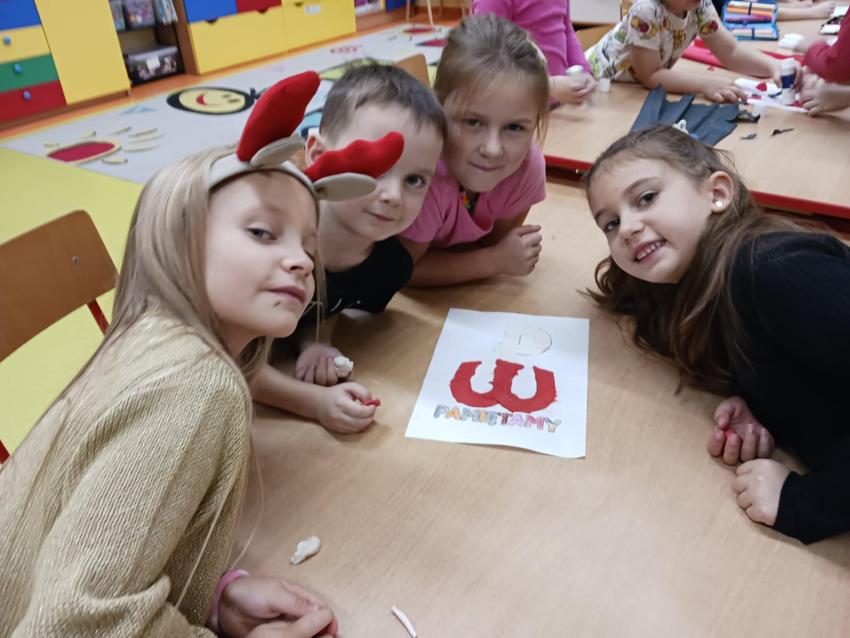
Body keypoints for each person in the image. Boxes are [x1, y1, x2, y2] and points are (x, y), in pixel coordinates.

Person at [0, 72, 403, 636]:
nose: (301, 261)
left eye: (308, 246)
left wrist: (211, 596)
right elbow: (72, 626)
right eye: (263, 233)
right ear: (181, 239)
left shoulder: (151, 338)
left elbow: (93, 533)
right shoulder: (196, 389)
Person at [585, 124, 850, 544]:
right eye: (611, 223)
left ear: (717, 193)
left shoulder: (771, 271)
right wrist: (761, 401)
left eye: (646, 198)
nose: (627, 228)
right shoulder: (699, 287)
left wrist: (806, 504)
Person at [253, 64, 445, 433]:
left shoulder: (387, 265)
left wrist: (315, 342)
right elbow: (229, 359)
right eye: (375, 167)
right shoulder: (269, 247)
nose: (393, 195)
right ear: (316, 153)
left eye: (414, 180)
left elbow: (331, 298)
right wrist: (314, 403)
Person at [401, 14, 549, 287]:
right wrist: (494, 261)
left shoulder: (526, 169)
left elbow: (487, 245)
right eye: (473, 122)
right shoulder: (425, 176)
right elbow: (402, 273)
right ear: (438, 109)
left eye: (514, 127)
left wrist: (493, 257)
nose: (492, 149)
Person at [586, 0, 786, 103]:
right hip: (598, 85)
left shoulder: (699, 6)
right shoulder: (645, 11)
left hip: (631, 90)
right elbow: (651, 76)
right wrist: (705, 84)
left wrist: (773, 66)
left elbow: (731, 51)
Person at [471, 0, 596, 104]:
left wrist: (584, 71)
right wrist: (547, 86)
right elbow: (487, 55)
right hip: (514, 110)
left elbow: (567, 30)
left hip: (557, 106)